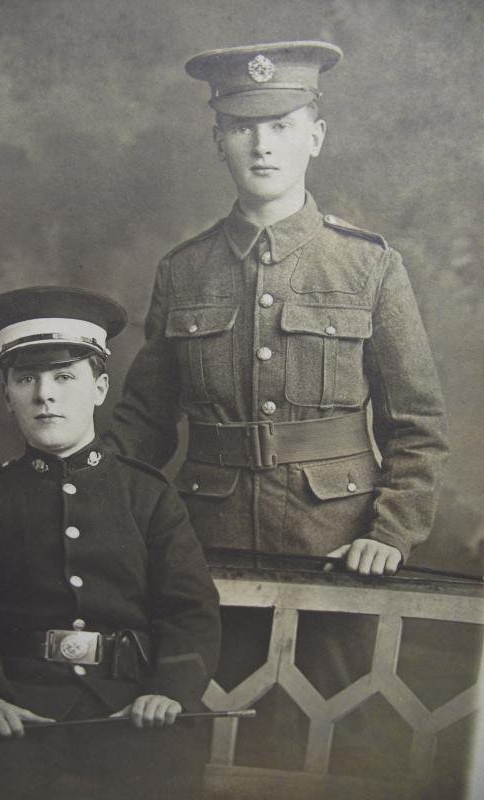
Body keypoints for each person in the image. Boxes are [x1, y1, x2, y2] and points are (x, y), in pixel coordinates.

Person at [103, 41, 449, 768]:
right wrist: (85, 505)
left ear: (316, 136)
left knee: (333, 749)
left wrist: (391, 530)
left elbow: (416, 425)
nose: (262, 143)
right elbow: (141, 424)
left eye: (284, 124)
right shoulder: (184, 270)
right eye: (241, 126)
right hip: (206, 552)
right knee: (204, 748)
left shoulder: (370, 266)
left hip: (339, 555)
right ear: (218, 140)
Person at [0, 285, 221, 800]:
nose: (45, 395)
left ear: (100, 388)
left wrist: (167, 691)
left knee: (157, 773)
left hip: (132, 705)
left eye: (65, 377)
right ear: (7, 394)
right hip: (20, 708)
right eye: (26, 379)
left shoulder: (148, 495)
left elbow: (190, 612)